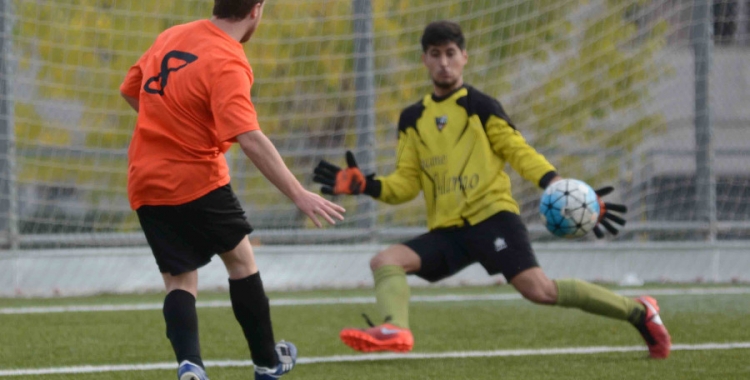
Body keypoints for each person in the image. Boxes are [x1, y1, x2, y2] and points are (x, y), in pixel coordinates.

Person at [313, 20, 671, 359]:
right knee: (385, 260)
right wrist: (367, 185)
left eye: (451, 52)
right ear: (424, 59)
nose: (443, 62)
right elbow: (406, 184)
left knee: (540, 291)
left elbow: (518, 150)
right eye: (435, 54)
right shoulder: (412, 119)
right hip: (450, 231)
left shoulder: (480, 106)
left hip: (493, 219)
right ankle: (395, 330)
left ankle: (639, 311)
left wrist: (554, 182)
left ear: (464, 57)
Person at [120, 1, 346, 379]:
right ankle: (268, 363)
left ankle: (190, 366)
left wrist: (170, 126)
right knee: (240, 262)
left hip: (145, 178)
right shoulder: (228, 59)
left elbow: (131, 91)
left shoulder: (172, 35)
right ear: (257, 9)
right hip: (198, 179)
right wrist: (299, 194)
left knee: (179, 279)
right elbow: (250, 138)